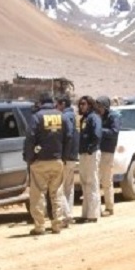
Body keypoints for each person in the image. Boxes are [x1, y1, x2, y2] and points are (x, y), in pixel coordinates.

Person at [24, 92, 72, 235]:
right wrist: (64, 156)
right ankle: (57, 224)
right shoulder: (61, 116)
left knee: (38, 193)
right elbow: (69, 136)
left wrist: (29, 158)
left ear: (41, 101)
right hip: (57, 161)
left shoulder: (37, 117)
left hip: (40, 161)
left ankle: (40, 226)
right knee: (56, 192)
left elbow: (30, 138)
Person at [77, 96, 102, 223]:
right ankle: (86, 213)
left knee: (92, 182)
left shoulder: (94, 117)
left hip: (90, 154)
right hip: (83, 154)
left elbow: (97, 135)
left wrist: (90, 149)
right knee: (85, 183)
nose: (81, 106)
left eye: (84, 104)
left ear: (90, 105)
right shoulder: (84, 119)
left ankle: (93, 214)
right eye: (80, 104)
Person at [56, 95, 79, 227]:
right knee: (69, 188)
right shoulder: (74, 115)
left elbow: (69, 134)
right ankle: (68, 216)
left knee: (61, 188)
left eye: (57, 104)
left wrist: (64, 154)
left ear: (63, 104)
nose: (56, 107)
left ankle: (67, 215)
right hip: (73, 156)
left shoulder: (65, 117)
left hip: (67, 157)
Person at [96, 95, 121, 217]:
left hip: (107, 151)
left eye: (100, 106)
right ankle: (97, 208)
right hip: (97, 151)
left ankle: (109, 207)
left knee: (106, 180)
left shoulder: (113, 116)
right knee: (95, 181)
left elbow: (114, 131)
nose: (98, 108)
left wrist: (99, 130)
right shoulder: (97, 116)